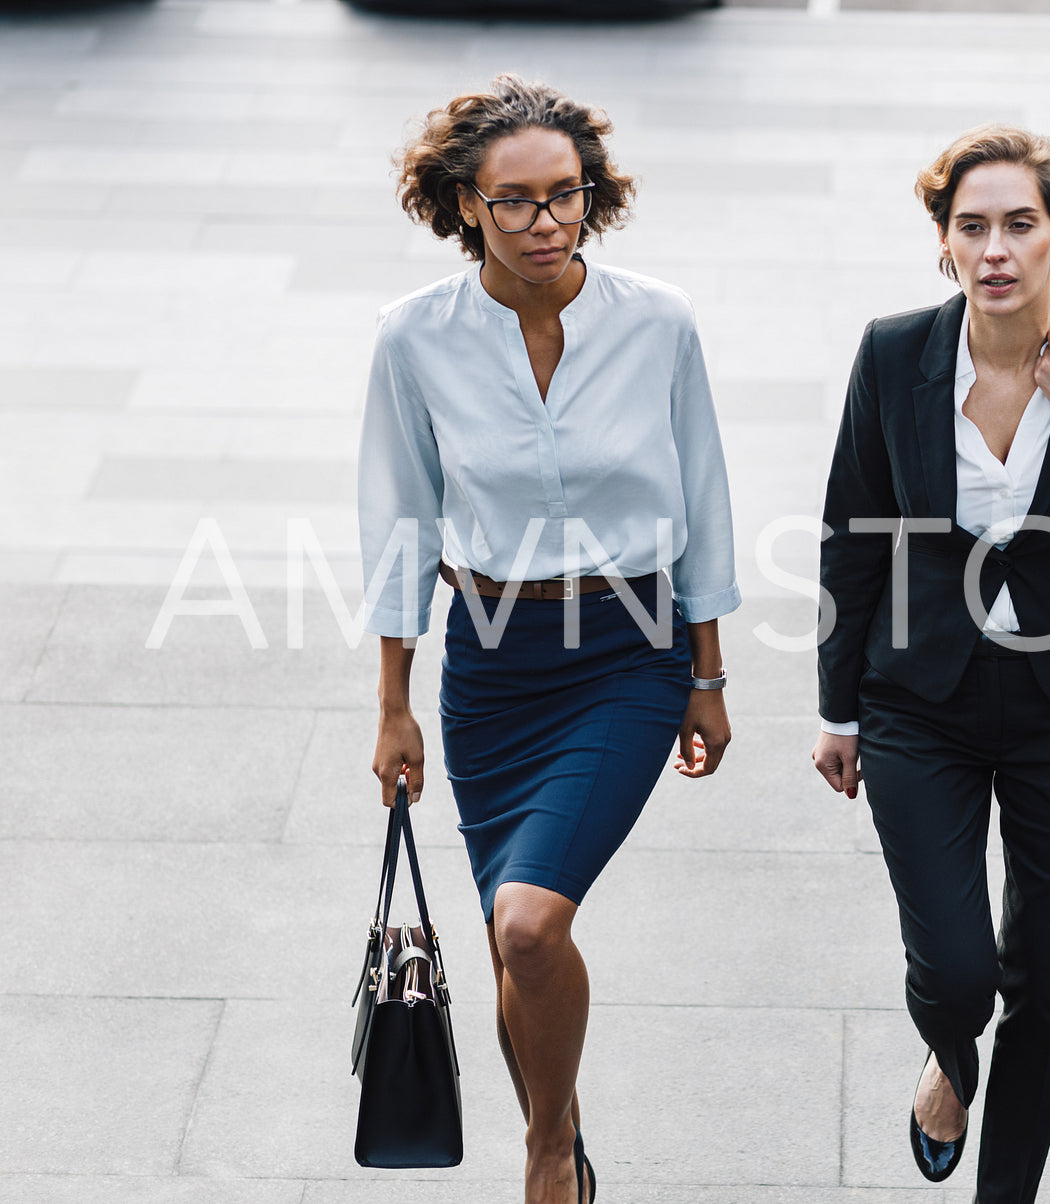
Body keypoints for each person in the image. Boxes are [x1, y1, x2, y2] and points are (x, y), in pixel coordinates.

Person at [357, 74, 740, 1204]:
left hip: (630, 650)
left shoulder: (656, 322)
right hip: (490, 665)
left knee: (528, 924)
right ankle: (562, 1129)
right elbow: (397, 522)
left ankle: (545, 1151)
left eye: (564, 196)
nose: (543, 223)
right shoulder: (413, 339)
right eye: (514, 201)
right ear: (464, 204)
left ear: (593, 197)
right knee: (507, 939)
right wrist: (393, 699)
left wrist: (708, 672)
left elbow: (704, 498)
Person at [810, 125, 1050, 1202]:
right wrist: (836, 707)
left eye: (1019, 224)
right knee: (958, 969)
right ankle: (950, 1057)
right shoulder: (893, 353)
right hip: (915, 701)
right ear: (940, 244)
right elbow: (852, 533)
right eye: (970, 226)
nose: (995, 248)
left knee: (1046, 980)